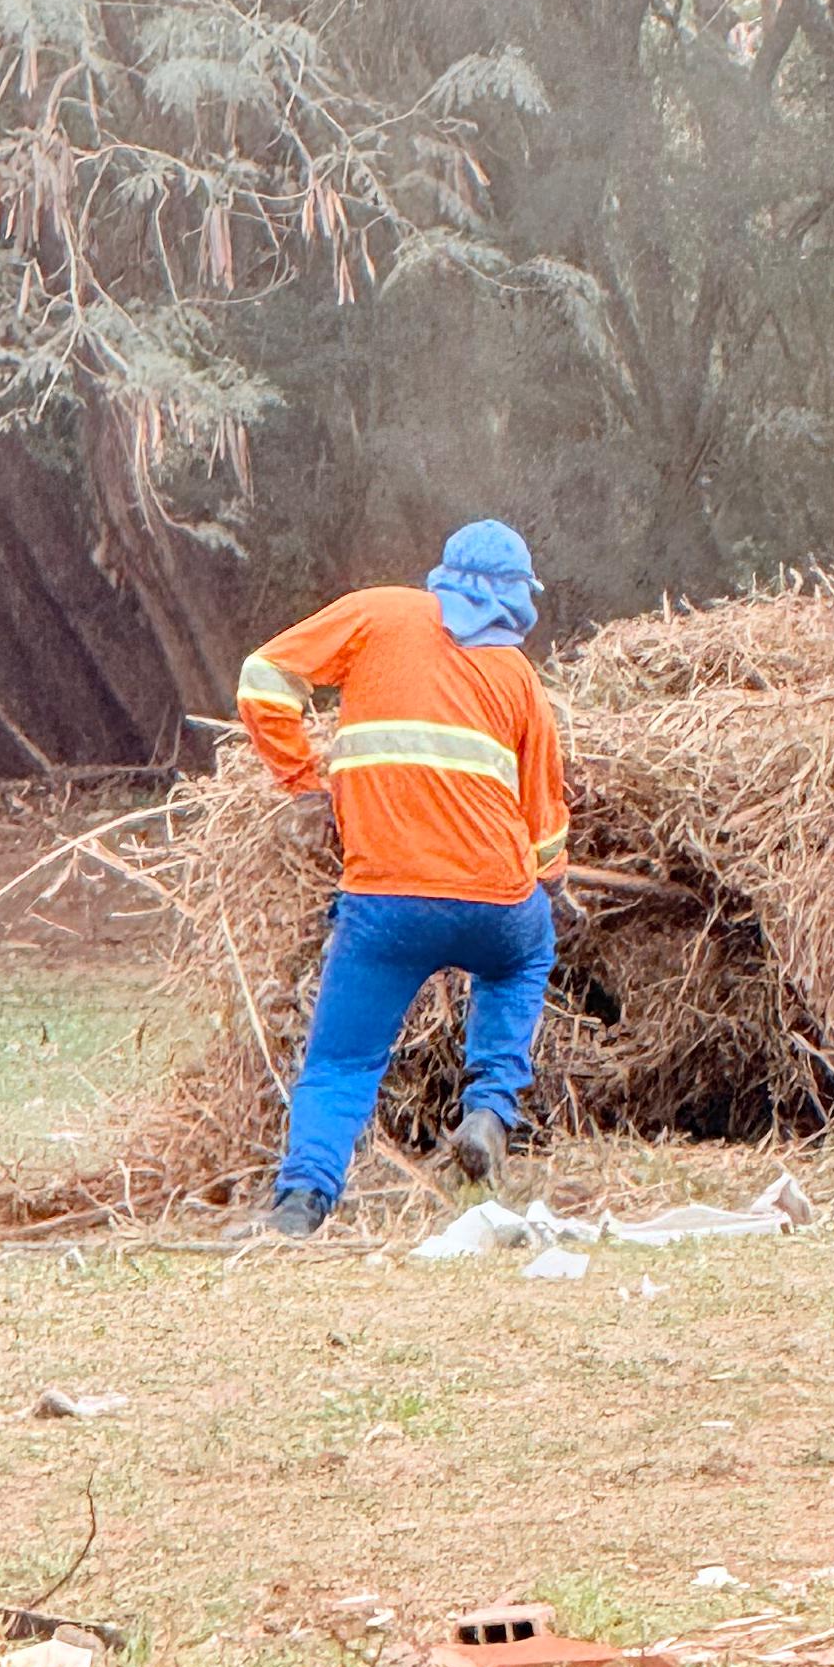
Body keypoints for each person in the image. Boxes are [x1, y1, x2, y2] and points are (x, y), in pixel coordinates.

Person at [234, 520, 570, 1237]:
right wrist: (553, 884)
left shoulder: (377, 614)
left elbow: (263, 678)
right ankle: (489, 1107)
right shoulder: (518, 677)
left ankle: (301, 1200)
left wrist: (301, 781)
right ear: (517, 596)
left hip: (385, 903)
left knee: (342, 1060)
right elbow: (545, 822)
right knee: (525, 956)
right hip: (496, 900)